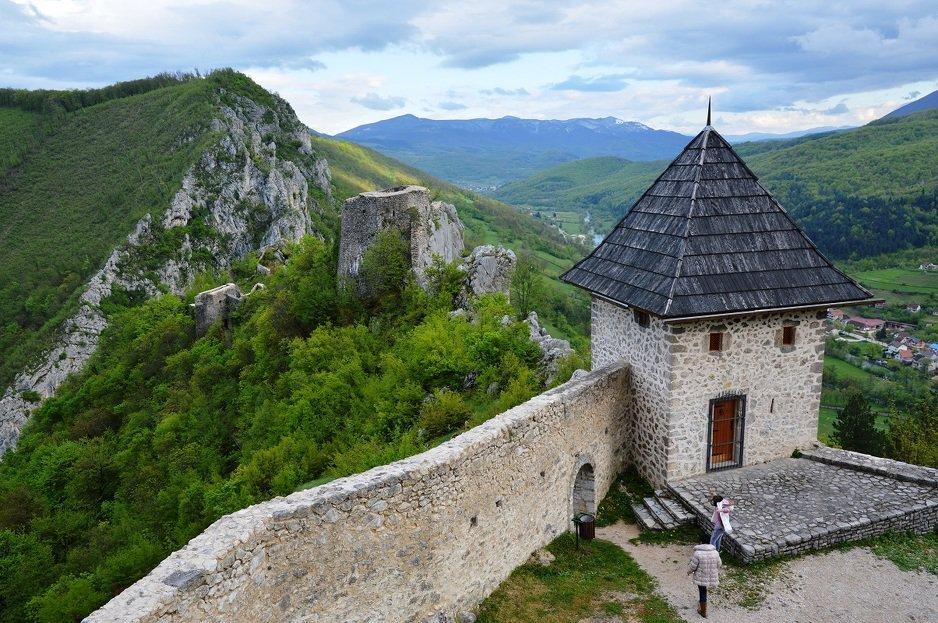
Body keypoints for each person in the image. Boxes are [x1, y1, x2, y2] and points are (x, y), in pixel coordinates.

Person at [688, 542, 722, 618]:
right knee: (704, 590)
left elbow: (693, 566)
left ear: (701, 544)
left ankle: (703, 611)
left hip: (701, 576)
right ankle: (702, 603)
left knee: (702, 591)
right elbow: (719, 564)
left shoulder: (697, 553)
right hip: (711, 575)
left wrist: (688, 572)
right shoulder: (715, 552)